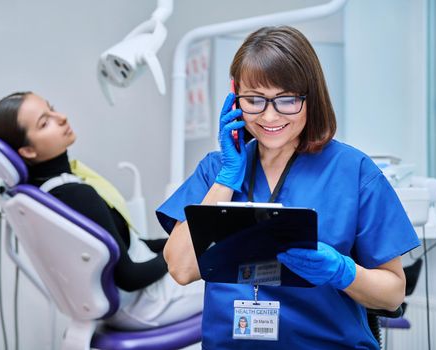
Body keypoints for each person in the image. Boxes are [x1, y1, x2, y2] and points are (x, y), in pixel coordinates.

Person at [157, 26, 420, 349]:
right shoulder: (216, 169)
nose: (269, 116)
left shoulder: (354, 172)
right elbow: (181, 269)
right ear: (234, 95)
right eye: (254, 100)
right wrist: (226, 179)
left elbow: (393, 294)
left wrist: (344, 271)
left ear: (311, 96)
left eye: (287, 100)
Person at [0, 91, 203, 330]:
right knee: (239, 278)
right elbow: (130, 277)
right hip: (148, 301)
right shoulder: (75, 195)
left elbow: (128, 247)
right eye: (45, 122)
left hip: (131, 303)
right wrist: (178, 255)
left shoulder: (50, 192)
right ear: (27, 151)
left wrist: (180, 244)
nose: (62, 118)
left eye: (52, 108)